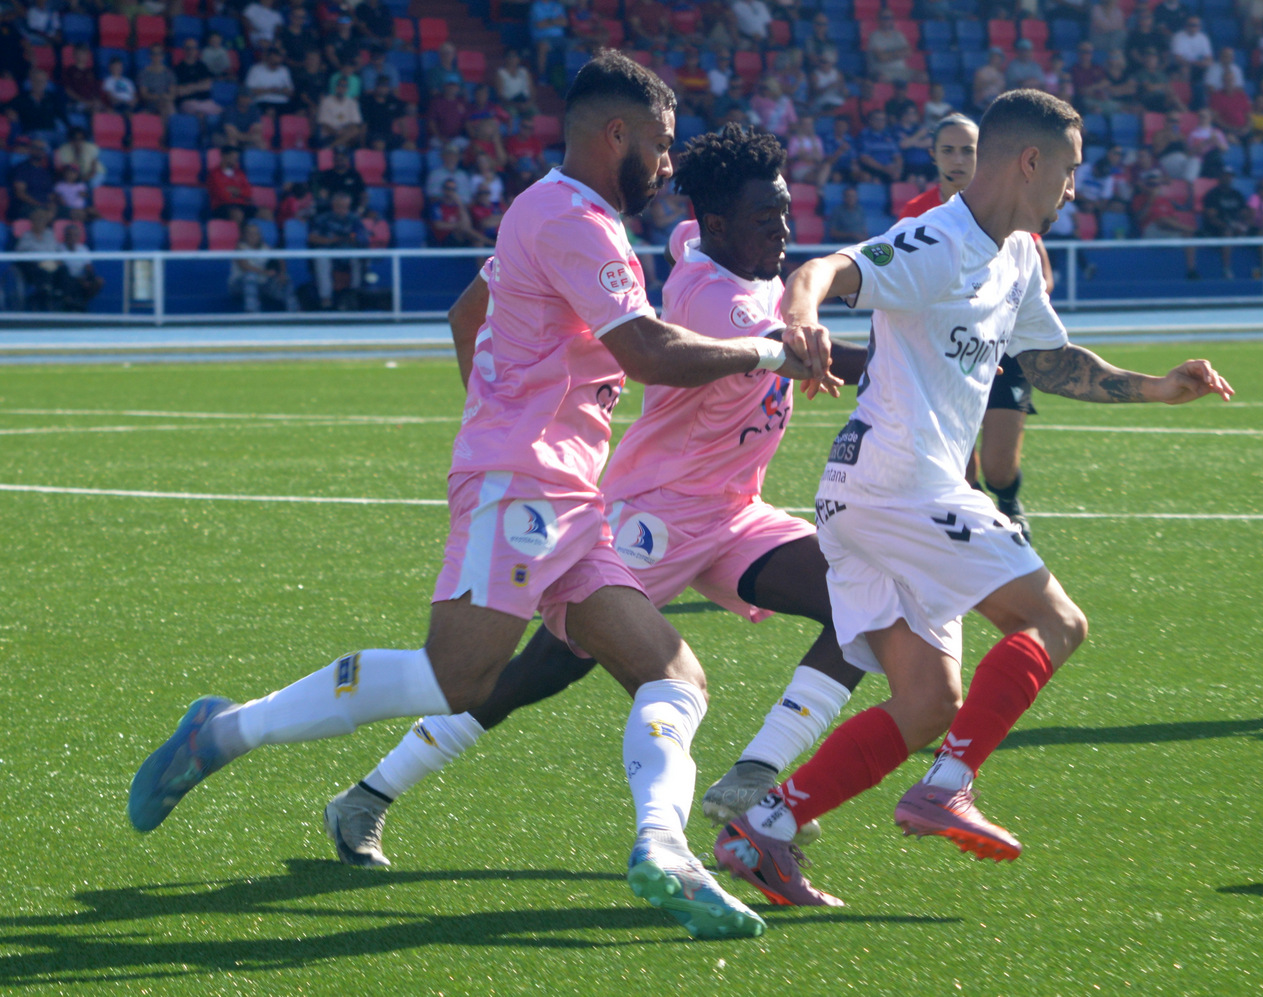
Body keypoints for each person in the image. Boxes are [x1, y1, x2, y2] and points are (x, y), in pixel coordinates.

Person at [126, 50, 834, 943]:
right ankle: (225, 731)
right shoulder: (568, 217)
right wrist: (772, 352)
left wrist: (499, 411)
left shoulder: (561, 215)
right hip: (527, 482)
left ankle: (664, 849)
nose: (666, 165)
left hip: (566, 490)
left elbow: (468, 314)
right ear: (615, 133)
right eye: (658, 145)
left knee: (673, 675)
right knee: (454, 677)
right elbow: (649, 354)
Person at [711, 90, 1232, 905]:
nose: (1074, 188)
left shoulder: (1016, 254)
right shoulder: (938, 240)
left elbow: (1052, 362)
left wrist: (1159, 388)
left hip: (869, 493)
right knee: (1057, 623)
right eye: (1069, 170)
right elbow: (821, 271)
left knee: (927, 703)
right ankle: (947, 786)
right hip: (901, 482)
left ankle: (765, 829)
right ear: (1030, 161)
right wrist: (802, 316)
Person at [323, 125, 869, 890]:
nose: (782, 231)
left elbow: (692, 242)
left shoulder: (710, 249)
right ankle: (369, 794)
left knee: (865, 599)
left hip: (733, 512)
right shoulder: (719, 303)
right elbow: (820, 353)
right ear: (719, 224)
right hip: (653, 514)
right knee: (534, 672)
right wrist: (931, 357)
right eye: (764, 218)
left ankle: (754, 776)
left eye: (784, 214)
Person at [898, 114, 1041, 540]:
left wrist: (994, 307)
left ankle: (1008, 500)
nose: (958, 160)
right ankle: (981, 527)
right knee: (959, 468)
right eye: (948, 150)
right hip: (947, 354)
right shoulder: (916, 213)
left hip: (1003, 349)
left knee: (999, 469)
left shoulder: (1009, 206)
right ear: (933, 156)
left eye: (968, 150)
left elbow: (1042, 278)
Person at [228, 220, 295, 312]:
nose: (253, 236)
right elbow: (244, 266)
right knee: (250, 276)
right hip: (239, 286)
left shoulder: (265, 247)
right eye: (250, 233)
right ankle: (252, 312)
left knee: (286, 278)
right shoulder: (240, 248)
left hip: (262, 285)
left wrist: (282, 273)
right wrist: (264, 272)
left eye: (256, 233)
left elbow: (280, 259)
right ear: (244, 235)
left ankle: (294, 312)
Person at [1199, 167, 1249, 278]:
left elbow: (1245, 214)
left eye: (1230, 176)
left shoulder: (1237, 194)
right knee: (1227, 232)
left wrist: (1244, 225)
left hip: (1235, 226)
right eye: (1225, 175)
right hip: (1216, 229)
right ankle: (1226, 268)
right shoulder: (1212, 195)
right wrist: (1227, 226)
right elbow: (1211, 218)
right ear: (1219, 177)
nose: (1227, 178)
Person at [208, 146, 256, 223]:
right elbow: (222, 195)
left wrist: (237, 192)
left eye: (237, 158)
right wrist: (241, 194)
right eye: (233, 157)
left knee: (265, 213)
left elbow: (249, 192)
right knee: (237, 214)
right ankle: (241, 231)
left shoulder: (240, 174)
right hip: (222, 207)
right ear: (224, 156)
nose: (236, 160)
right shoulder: (214, 174)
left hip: (241, 204)